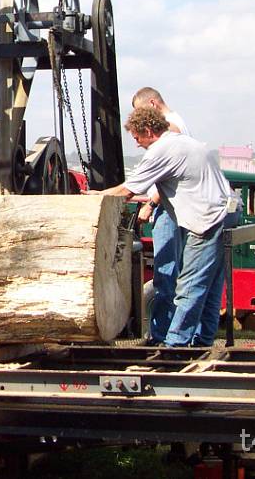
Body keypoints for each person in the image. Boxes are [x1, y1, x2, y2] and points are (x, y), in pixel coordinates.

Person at [99, 107, 234, 347]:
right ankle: (202, 342)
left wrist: (94, 196)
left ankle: (175, 347)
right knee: (211, 288)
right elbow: (166, 185)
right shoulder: (184, 142)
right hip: (228, 212)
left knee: (189, 286)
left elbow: (128, 191)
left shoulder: (161, 150)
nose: (137, 144)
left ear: (148, 131)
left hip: (208, 220)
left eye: (137, 138)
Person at [131, 87, 190, 345]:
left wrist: (150, 204)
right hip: (169, 209)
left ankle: (162, 336)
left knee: (165, 275)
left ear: (153, 104)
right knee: (171, 275)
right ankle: (168, 334)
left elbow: (167, 175)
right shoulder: (179, 124)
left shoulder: (172, 129)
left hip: (167, 210)